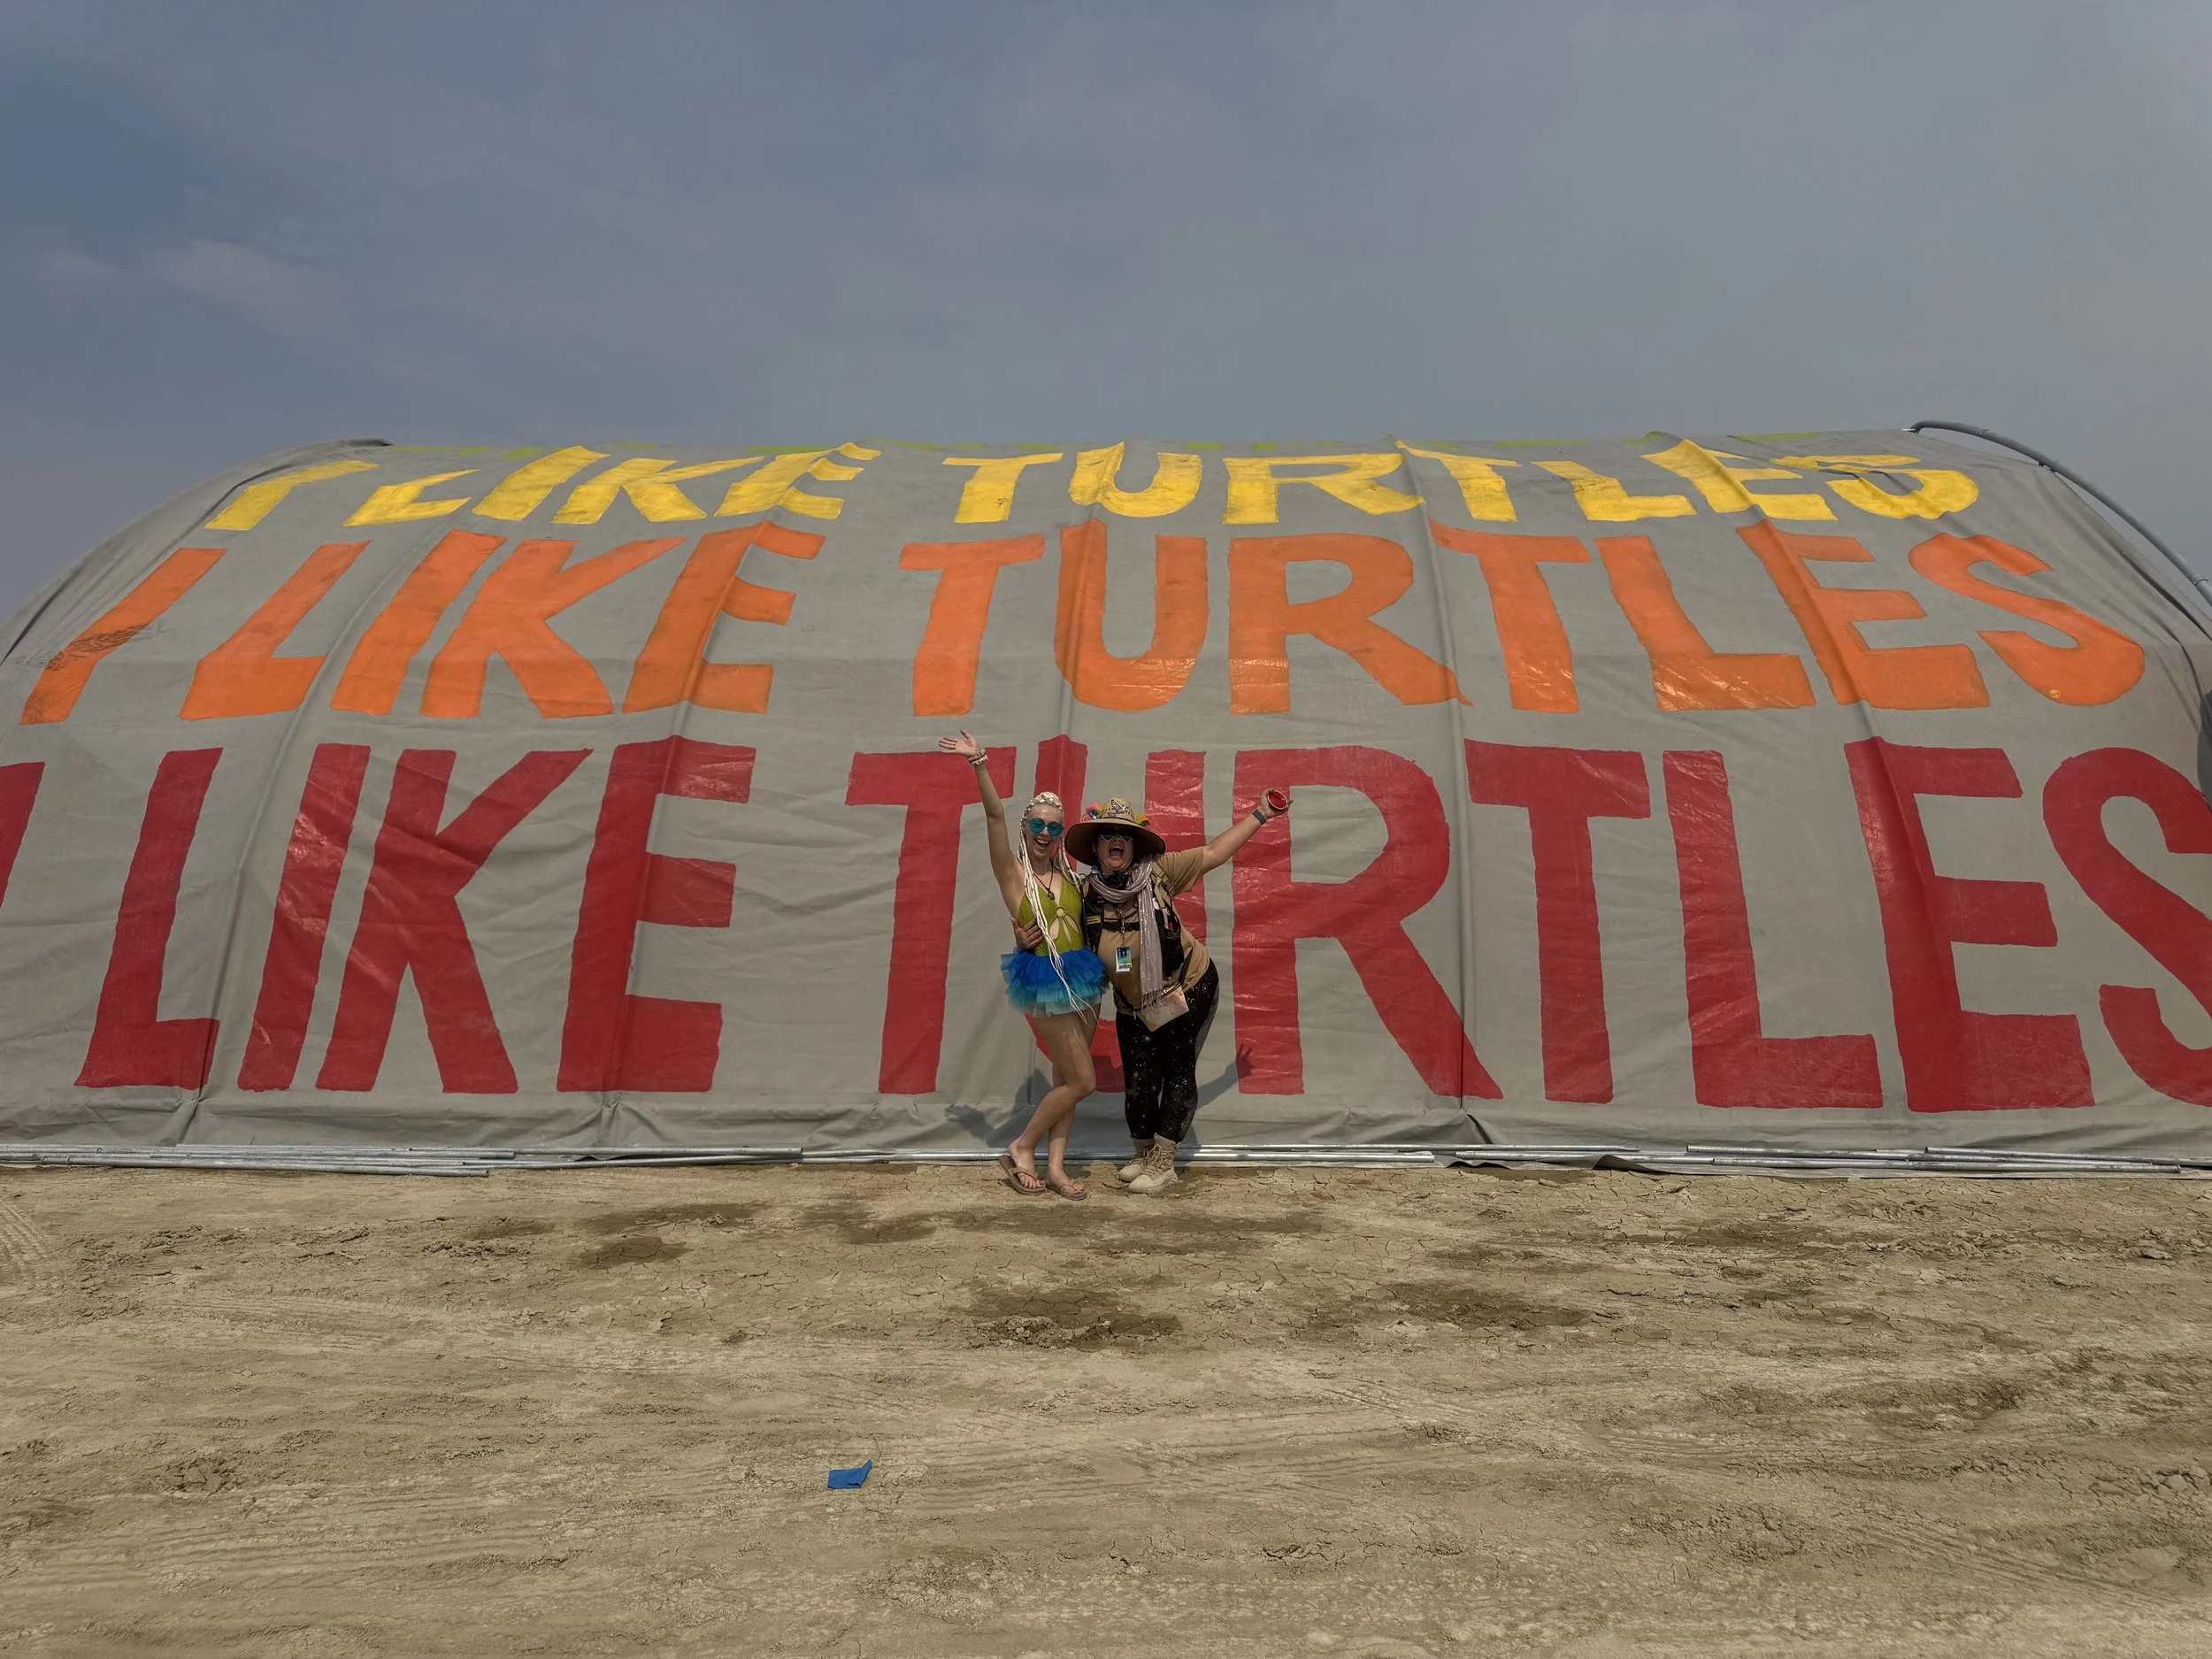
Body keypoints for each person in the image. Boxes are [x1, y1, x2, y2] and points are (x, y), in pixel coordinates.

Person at [1060, 791, 1287, 1194]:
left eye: (1125, 835)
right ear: (1095, 846)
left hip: (1186, 986)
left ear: (1135, 845)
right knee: (1139, 1081)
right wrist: (1023, 934)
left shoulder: (1159, 872)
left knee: (1176, 1069)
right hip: (1132, 1004)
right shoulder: (1083, 894)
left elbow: (1214, 853)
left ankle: (1164, 1162)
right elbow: (1048, 917)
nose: (1117, 840)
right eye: (1108, 834)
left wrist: (1261, 814)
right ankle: (1144, 1153)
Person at [937, 731, 1106, 1199]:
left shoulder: (1070, 875)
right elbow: (994, 815)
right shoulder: (1012, 872)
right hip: (1046, 978)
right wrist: (979, 763)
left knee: (1065, 1080)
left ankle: (1057, 1169)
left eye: (1054, 828)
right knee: (1084, 1081)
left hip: (1084, 978)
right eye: (1037, 825)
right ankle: (1022, 1145)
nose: (1045, 834)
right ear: (1025, 827)